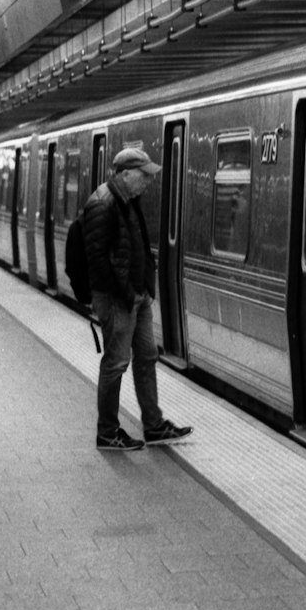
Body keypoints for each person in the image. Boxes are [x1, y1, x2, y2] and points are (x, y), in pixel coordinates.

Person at [82, 146, 193, 451]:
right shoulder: (102, 203)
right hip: (119, 299)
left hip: (137, 297)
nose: (148, 181)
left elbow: (135, 247)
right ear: (126, 174)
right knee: (116, 362)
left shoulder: (128, 201)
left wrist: (144, 288)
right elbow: (98, 260)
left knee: (146, 356)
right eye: (144, 175)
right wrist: (127, 293)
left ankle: (154, 426)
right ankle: (107, 432)